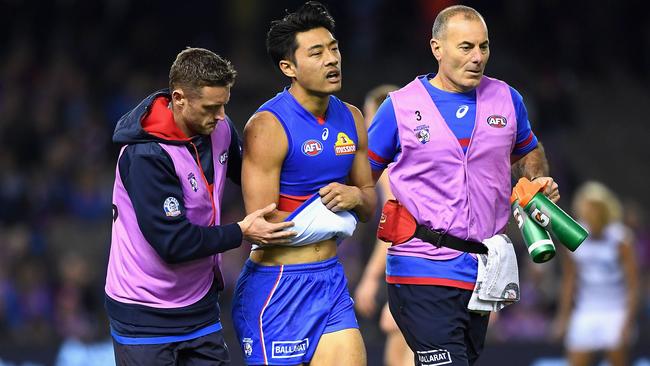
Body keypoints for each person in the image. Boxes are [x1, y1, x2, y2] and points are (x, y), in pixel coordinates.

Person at [366, 5, 560, 366]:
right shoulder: (399, 107)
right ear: (437, 48)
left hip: (483, 274)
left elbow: (528, 151)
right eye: (466, 47)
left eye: (483, 47)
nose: (477, 57)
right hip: (420, 267)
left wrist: (536, 180)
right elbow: (362, 179)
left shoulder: (507, 99)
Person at [104, 47, 295, 366]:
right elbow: (173, 243)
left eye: (224, 105)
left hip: (200, 306)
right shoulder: (146, 156)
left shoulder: (218, 127)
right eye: (210, 107)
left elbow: (250, 173)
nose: (220, 116)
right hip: (144, 314)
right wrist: (241, 232)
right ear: (179, 98)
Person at [231, 2, 376, 365]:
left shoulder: (353, 118)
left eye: (334, 49)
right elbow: (263, 226)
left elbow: (370, 203)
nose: (332, 60)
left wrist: (355, 195)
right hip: (278, 286)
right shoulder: (267, 126)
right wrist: (335, 218)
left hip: (330, 281)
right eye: (317, 53)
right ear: (288, 67)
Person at [354, 84, 414, 366]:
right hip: (425, 268)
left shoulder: (392, 166)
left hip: (411, 271)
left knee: (400, 340)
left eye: (369, 117)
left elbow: (397, 226)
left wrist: (371, 279)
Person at [553, 181, 639, 366]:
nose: (589, 213)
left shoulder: (621, 238)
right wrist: (563, 317)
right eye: (585, 208)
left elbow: (633, 284)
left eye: (593, 209)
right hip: (585, 310)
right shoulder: (573, 236)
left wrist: (628, 320)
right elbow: (569, 281)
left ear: (604, 210)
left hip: (616, 310)